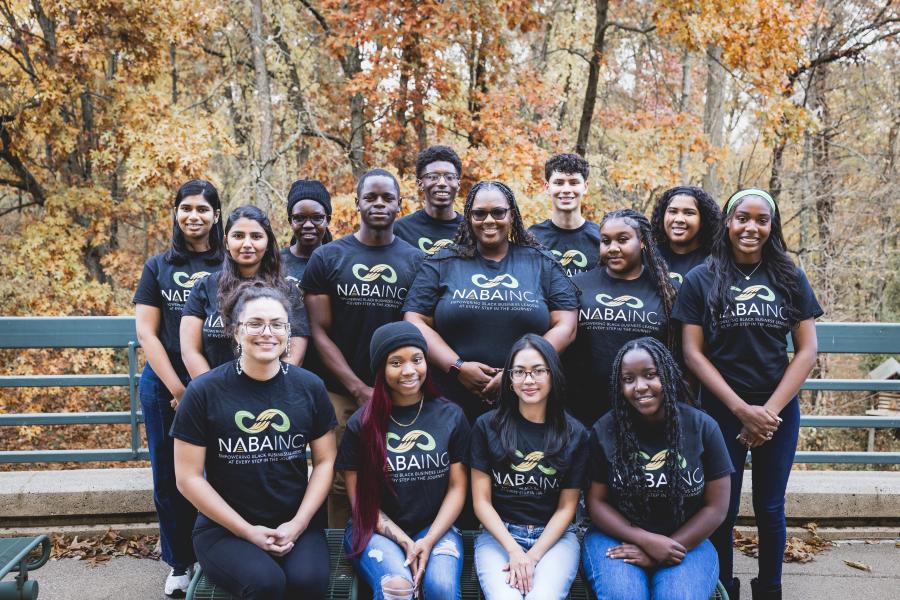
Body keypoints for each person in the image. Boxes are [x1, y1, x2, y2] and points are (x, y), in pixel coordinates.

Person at [673, 188, 823, 600]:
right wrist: (741, 411)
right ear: (727, 222)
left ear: (771, 227)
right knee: (721, 509)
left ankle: (769, 589)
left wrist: (768, 413)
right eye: (742, 218)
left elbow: (807, 350)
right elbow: (692, 353)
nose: (750, 228)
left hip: (778, 410)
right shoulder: (702, 277)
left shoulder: (789, 276)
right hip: (721, 410)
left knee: (771, 507)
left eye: (761, 220)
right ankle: (725, 589)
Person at [172, 282, 337, 600]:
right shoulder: (205, 391)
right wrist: (246, 531)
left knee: (307, 582)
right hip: (224, 529)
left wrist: (299, 524)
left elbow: (326, 461)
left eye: (277, 324)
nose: (268, 332)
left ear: (288, 333)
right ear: (235, 331)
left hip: (295, 523)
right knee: (265, 584)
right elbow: (187, 478)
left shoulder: (309, 387)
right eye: (255, 323)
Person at [303, 168, 424, 527]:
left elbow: (415, 330)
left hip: (400, 390)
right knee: (340, 481)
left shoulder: (416, 261)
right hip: (342, 391)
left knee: (397, 477)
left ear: (399, 205)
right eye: (370, 197)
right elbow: (318, 330)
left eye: (387, 198)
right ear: (356, 203)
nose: (379, 204)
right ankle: (340, 561)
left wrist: (391, 387)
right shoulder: (328, 258)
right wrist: (357, 388)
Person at [404, 180, 578, 423]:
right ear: (468, 217)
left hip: (526, 399)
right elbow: (414, 320)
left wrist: (515, 373)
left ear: (512, 215)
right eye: (479, 213)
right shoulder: (442, 262)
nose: (488, 220)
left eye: (498, 212)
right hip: (449, 403)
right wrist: (457, 368)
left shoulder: (542, 262)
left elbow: (566, 326)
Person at [581, 337, 732, 600]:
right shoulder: (604, 430)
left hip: (687, 541)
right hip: (616, 538)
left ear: (668, 375)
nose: (640, 387)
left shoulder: (703, 428)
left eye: (650, 375)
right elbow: (596, 504)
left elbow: (716, 508)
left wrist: (669, 548)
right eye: (628, 379)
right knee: (623, 596)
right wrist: (647, 541)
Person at [133, 179, 224, 596]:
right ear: (175, 213)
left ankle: (220, 555)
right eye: (186, 208)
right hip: (164, 384)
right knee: (169, 477)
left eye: (203, 209)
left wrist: (202, 387)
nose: (194, 216)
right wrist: (179, 387)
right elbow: (147, 334)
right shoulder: (158, 266)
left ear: (216, 216)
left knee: (224, 471)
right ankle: (180, 563)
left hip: (220, 380)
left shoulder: (230, 264)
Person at [338, 321, 470, 600]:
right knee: (396, 588)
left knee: (441, 588)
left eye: (417, 360)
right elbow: (361, 504)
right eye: (396, 362)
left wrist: (428, 540)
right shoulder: (361, 424)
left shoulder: (451, 416)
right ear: (381, 370)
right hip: (376, 530)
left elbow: (458, 488)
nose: (409, 370)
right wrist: (406, 542)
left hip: (436, 527)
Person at [470, 334, 588, 599]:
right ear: (510, 380)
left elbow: (567, 508)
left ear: (552, 375)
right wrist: (514, 551)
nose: (529, 380)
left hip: (555, 538)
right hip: (499, 535)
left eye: (538, 371)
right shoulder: (486, 427)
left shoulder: (576, 434)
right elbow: (481, 502)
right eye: (520, 372)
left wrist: (532, 556)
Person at [566, 209, 676, 428]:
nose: (613, 248)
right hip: (583, 411)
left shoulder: (667, 291)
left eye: (623, 240)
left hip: (645, 410)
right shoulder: (577, 285)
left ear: (642, 241)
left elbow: (678, 354)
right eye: (605, 241)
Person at [180, 205, 309, 376]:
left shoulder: (288, 291)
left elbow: (294, 354)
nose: (247, 244)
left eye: (256, 236)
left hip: (270, 394)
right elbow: (190, 351)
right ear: (226, 242)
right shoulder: (204, 287)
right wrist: (212, 393)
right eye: (238, 236)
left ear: (268, 242)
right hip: (215, 393)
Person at [527, 153, 600, 277]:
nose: (566, 190)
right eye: (559, 183)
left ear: (585, 187)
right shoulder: (532, 238)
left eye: (573, 182)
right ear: (547, 187)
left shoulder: (600, 238)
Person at [393, 145, 464, 256]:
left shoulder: (470, 231)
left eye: (449, 177)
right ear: (420, 184)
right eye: (433, 176)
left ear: (458, 184)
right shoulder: (401, 231)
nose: (442, 183)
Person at [649, 186, 721, 285]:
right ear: (662, 216)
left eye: (689, 213)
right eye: (673, 211)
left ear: (703, 220)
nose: (679, 219)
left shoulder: (716, 262)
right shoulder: (648, 259)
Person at [281, 179, 333, 287]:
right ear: (290, 221)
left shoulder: (337, 263)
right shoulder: (276, 262)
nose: (308, 225)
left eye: (317, 218)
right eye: (299, 218)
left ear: (327, 220)